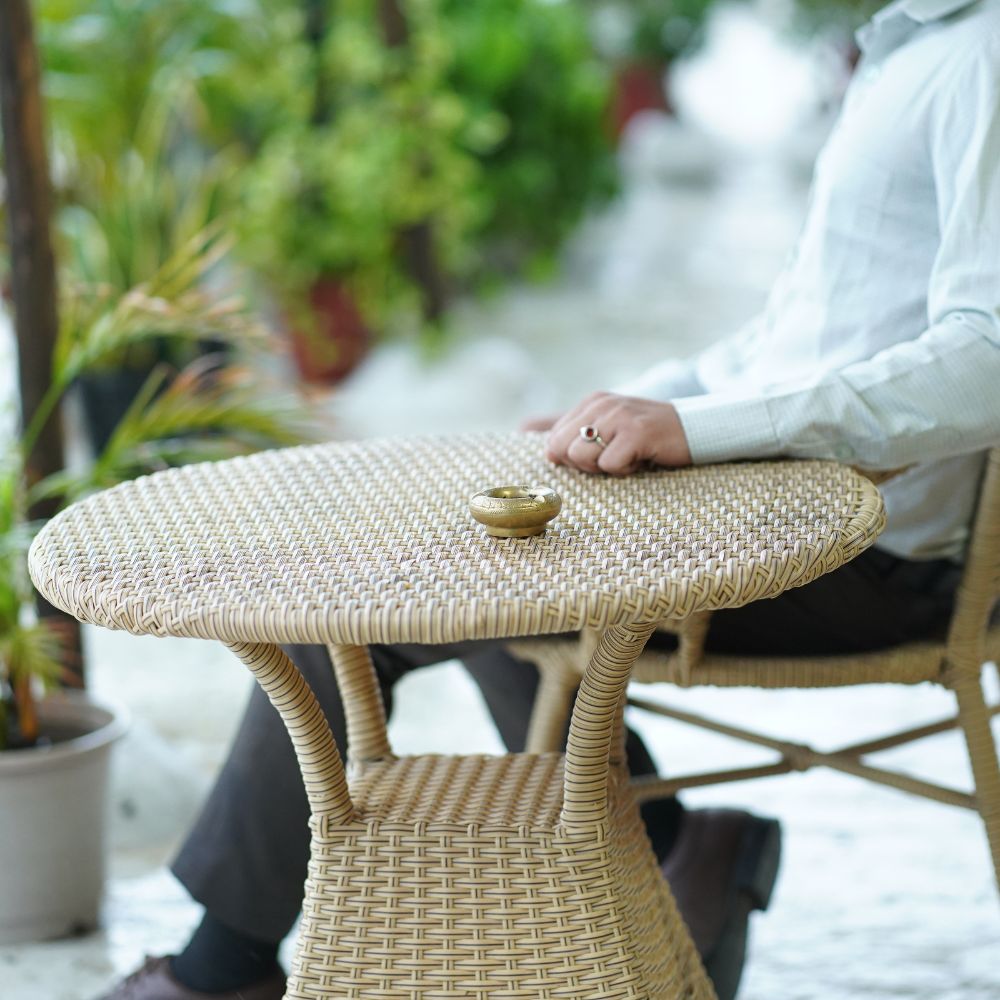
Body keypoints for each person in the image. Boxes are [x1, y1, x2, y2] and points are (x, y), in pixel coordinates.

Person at [100, 0, 1000, 998]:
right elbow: (791, 339)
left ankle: (217, 971)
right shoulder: (905, 48)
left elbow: (986, 358)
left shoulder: (982, 55)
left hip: (861, 551)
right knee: (457, 538)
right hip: (794, 501)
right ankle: (673, 842)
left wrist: (696, 433)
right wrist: (621, 410)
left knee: (374, 594)